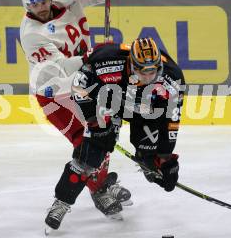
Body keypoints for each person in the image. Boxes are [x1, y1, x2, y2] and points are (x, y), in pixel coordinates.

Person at [18, 0, 133, 232]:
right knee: (86, 142)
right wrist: (95, 57)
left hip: (82, 85)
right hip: (54, 94)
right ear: (26, 6)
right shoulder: (31, 34)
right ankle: (100, 191)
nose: (42, 7)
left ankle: (101, 184)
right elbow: (61, 66)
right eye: (35, 5)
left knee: (101, 137)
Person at [67, 37, 184, 226]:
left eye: (152, 70)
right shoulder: (109, 61)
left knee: (150, 152)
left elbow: (172, 120)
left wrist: (165, 157)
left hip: (143, 108)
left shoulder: (173, 77)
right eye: (142, 71)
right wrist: (93, 120)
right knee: (97, 145)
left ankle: (145, 155)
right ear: (131, 64)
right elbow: (79, 87)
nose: (147, 76)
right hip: (110, 100)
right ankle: (93, 187)